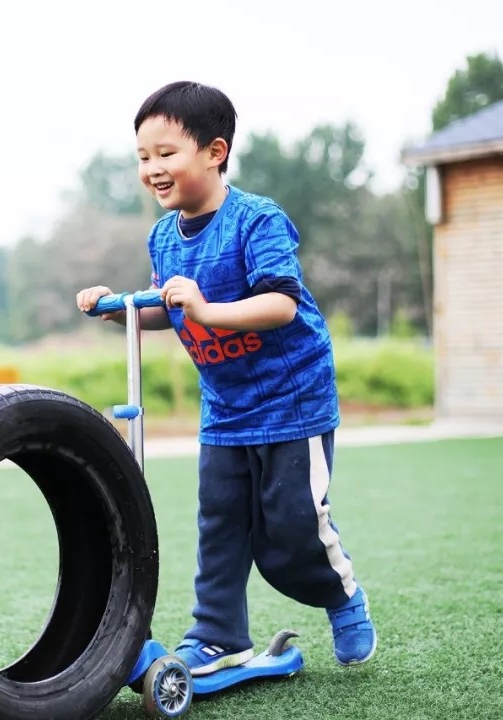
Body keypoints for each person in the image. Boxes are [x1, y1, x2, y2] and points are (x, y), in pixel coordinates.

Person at [75, 80, 376, 676]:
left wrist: (208, 308)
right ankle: (217, 635)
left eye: (166, 154)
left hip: (292, 403)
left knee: (290, 532)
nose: (152, 169)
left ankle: (341, 596)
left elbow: (280, 306)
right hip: (226, 408)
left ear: (215, 152)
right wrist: (122, 310)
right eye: (142, 157)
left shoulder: (256, 220)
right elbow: (173, 308)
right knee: (220, 523)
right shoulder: (163, 237)